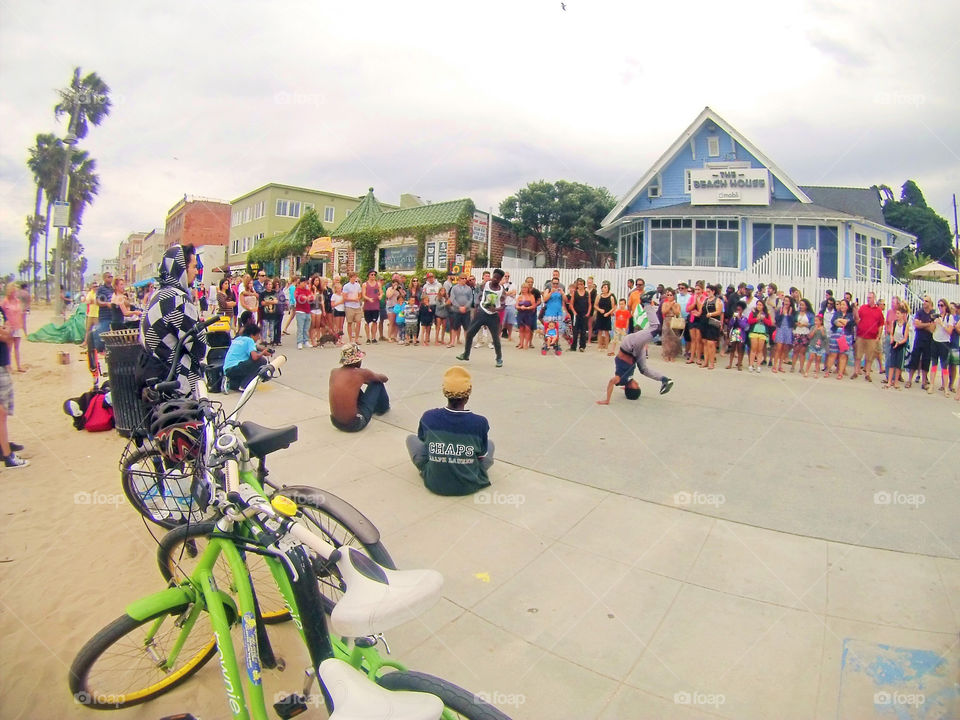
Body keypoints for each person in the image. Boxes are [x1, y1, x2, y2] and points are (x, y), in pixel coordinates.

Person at [406, 366, 493, 496]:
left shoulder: (428, 416)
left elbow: (424, 440)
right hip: (469, 484)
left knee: (411, 439)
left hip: (435, 483)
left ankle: (435, 468)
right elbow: (481, 454)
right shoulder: (480, 422)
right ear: (468, 395)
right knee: (490, 444)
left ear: (445, 393)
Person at [139, 244, 206, 397]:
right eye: (194, 267)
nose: (196, 272)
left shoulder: (156, 296)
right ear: (181, 268)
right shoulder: (177, 300)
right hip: (178, 385)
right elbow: (199, 348)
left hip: (156, 379)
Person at [597, 326, 674, 404]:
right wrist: (625, 387)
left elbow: (611, 382)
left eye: (636, 386)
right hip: (635, 353)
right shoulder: (627, 381)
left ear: (630, 387)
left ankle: (656, 327)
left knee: (653, 331)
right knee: (644, 370)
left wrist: (607, 400)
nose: (638, 384)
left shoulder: (620, 380)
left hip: (628, 346)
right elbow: (628, 383)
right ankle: (665, 380)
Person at [328, 343, 389, 432]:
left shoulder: (334, 372)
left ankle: (368, 408)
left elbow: (350, 383)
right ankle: (382, 408)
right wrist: (368, 378)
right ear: (356, 361)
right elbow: (384, 378)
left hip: (335, 422)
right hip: (354, 424)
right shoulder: (361, 373)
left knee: (350, 389)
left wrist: (363, 380)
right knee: (377, 383)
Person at [457, 268, 507, 368]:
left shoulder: (501, 290)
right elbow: (475, 288)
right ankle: (466, 354)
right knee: (470, 333)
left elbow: (503, 305)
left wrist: (496, 309)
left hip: (493, 316)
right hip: (482, 312)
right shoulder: (486, 284)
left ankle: (499, 358)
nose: (495, 279)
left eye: (497, 278)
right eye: (494, 277)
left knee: (495, 338)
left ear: (500, 279)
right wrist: (478, 305)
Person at [0, 306, 27, 467]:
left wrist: (5, 332)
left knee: (3, 411)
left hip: (3, 363)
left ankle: (4, 447)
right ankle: (7, 455)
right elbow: (5, 334)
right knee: (1, 413)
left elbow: (8, 334)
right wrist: (5, 332)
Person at [223, 323, 273, 391]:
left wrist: (262, 350)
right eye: (258, 335)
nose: (258, 338)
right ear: (252, 335)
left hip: (227, 369)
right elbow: (255, 357)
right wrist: (263, 353)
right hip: (236, 367)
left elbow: (254, 348)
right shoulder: (249, 340)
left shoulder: (237, 339)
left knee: (250, 361)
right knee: (261, 361)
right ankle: (245, 385)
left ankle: (232, 383)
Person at [851, 292, 884, 382]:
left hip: (872, 337)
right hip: (861, 335)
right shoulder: (863, 308)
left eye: (870, 297)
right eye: (867, 297)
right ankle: (856, 372)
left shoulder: (878, 311)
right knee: (858, 355)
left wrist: (879, 336)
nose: (868, 299)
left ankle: (868, 374)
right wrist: (855, 309)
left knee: (869, 357)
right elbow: (857, 318)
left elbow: (881, 324)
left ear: (874, 299)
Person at [930, 299, 954, 396]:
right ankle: (931, 385)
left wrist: (942, 324)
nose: (940, 307)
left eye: (942, 305)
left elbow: (949, 331)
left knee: (944, 366)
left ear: (946, 306)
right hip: (935, 340)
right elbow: (932, 330)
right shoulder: (937, 317)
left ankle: (946, 388)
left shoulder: (950, 317)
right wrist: (934, 324)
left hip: (944, 343)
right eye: (939, 305)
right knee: (934, 364)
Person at [1, 283, 27, 373]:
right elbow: (3, 315)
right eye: (13, 291)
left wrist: (22, 326)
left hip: (17, 327)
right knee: (9, 347)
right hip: (9, 328)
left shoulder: (17, 301)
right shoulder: (5, 302)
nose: (14, 293)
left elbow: (20, 314)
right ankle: (8, 366)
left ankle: (19, 366)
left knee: (17, 347)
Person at [884, 303, 910, 390]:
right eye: (896, 313)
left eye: (899, 314)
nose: (897, 315)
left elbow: (905, 338)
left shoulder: (906, 325)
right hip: (893, 344)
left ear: (903, 315)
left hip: (900, 345)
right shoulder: (894, 323)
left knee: (898, 365)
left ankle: (896, 382)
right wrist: (892, 339)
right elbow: (891, 333)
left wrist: (899, 343)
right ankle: (889, 381)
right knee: (892, 363)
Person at [746, 302, 773, 373]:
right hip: (754, 332)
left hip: (762, 333)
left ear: (763, 306)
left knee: (760, 350)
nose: (759, 306)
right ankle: (751, 365)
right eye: (757, 304)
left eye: (760, 305)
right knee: (753, 349)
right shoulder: (753, 312)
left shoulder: (766, 314)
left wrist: (764, 319)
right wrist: (756, 319)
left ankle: (758, 365)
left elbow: (770, 323)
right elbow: (749, 321)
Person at [567, 278, 592, 352]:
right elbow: (571, 304)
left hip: (584, 314)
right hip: (577, 314)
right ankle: (573, 346)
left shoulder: (587, 294)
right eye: (579, 284)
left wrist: (588, 313)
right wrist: (574, 312)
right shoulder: (575, 293)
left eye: (581, 284)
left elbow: (590, 304)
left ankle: (582, 346)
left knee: (583, 331)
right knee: (575, 331)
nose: (580, 286)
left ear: (584, 285)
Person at [594, 281, 617, 354]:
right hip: (600, 315)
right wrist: (599, 310)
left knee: (606, 332)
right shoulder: (599, 296)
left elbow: (614, 307)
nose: (604, 289)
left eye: (606, 287)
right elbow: (595, 305)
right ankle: (599, 345)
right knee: (600, 331)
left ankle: (606, 346)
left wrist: (608, 313)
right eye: (603, 287)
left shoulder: (611, 297)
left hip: (607, 316)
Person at [420, 271, 441, 345]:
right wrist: (425, 304)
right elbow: (423, 295)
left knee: (437, 322)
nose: (430, 279)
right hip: (429, 305)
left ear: (433, 277)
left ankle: (437, 338)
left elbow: (441, 294)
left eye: (431, 277)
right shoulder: (425, 286)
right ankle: (427, 337)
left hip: (437, 305)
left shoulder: (439, 285)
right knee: (428, 322)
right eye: (429, 278)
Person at [342, 271, 363, 345]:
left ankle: (356, 338)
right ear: (350, 277)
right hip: (349, 306)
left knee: (358, 321)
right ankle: (351, 339)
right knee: (350, 322)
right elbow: (344, 297)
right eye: (353, 277)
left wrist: (358, 298)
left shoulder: (358, 285)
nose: (354, 278)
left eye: (355, 277)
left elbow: (360, 294)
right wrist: (352, 299)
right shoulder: (346, 286)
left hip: (357, 306)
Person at [726, 301, 748, 370]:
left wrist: (739, 318)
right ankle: (730, 364)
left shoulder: (744, 318)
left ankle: (739, 364)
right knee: (732, 349)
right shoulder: (734, 317)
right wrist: (734, 318)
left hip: (741, 333)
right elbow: (730, 325)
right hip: (734, 332)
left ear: (742, 310)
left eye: (739, 310)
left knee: (740, 349)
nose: (738, 311)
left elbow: (744, 326)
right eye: (737, 310)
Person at [294, 277, 313, 350]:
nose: (305, 284)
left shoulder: (307, 290)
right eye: (304, 282)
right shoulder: (297, 290)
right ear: (300, 283)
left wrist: (308, 297)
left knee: (306, 327)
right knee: (300, 328)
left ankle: (306, 341)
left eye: (306, 283)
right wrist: (305, 298)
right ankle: (299, 342)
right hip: (300, 311)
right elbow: (298, 297)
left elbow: (311, 297)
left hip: (307, 310)